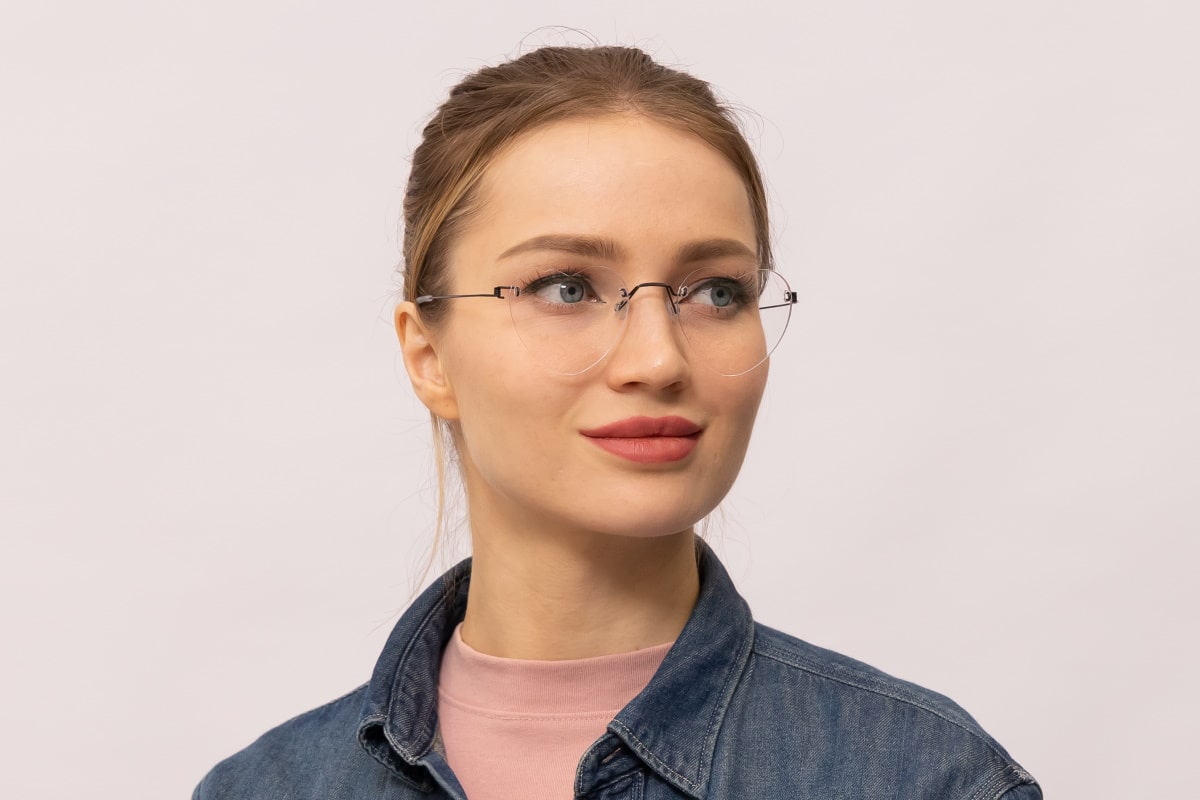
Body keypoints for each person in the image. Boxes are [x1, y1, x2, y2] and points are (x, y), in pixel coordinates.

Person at [194, 45, 1042, 800]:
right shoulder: (262, 789)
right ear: (429, 356)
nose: (659, 359)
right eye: (567, 287)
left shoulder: (927, 780)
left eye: (716, 291)